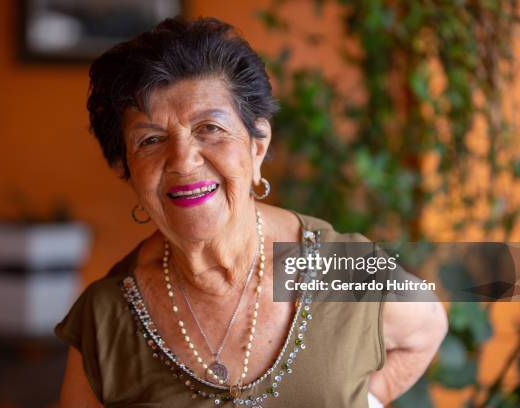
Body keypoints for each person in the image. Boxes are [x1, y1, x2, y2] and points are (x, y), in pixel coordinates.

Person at [55, 17, 447, 408]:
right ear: (125, 169)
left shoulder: (338, 268)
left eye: (209, 128)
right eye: (152, 139)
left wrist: (368, 401)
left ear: (257, 147)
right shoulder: (106, 317)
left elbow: (428, 326)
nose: (183, 161)